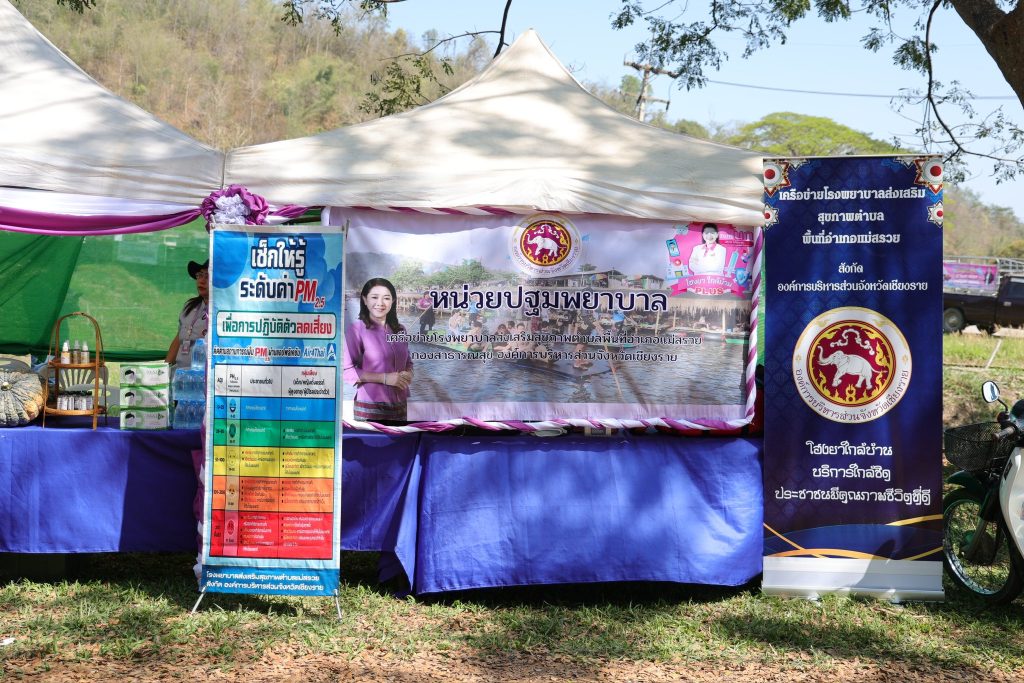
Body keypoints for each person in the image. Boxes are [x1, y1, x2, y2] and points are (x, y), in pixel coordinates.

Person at [343, 277, 413, 423]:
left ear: (393, 301)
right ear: (365, 299)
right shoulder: (356, 330)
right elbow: (346, 371)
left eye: (386, 298)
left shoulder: (401, 330)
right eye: (374, 297)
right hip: (370, 406)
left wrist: (409, 373)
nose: (380, 303)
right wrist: (385, 378)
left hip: (400, 405)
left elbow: (408, 362)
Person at [165, 259, 209, 367]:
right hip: (179, 373)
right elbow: (178, 339)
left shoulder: (222, 311)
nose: (201, 281)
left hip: (201, 374)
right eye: (199, 275)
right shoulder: (190, 306)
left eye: (207, 276)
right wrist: (164, 369)